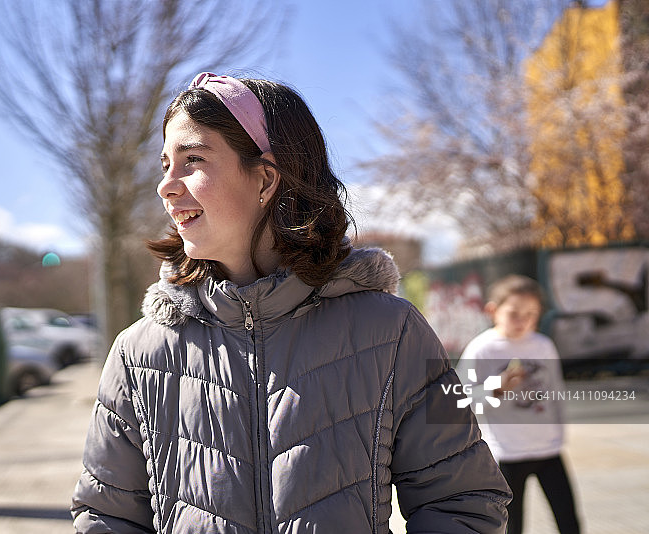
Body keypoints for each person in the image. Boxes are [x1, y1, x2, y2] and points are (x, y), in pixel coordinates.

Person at [71, 72, 511, 533]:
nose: (166, 185)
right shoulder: (140, 353)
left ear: (265, 178)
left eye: (193, 160)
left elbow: (463, 501)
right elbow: (105, 517)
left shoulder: (392, 331)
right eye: (165, 165)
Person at [456, 275, 580, 534]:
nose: (522, 321)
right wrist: (496, 387)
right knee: (512, 526)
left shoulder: (543, 345)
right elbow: (460, 400)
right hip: (507, 454)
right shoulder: (481, 349)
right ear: (493, 310)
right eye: (514, 313)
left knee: (569, 520)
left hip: (549, 451)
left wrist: (559, 435)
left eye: (531, 313)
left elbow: (556, 390)